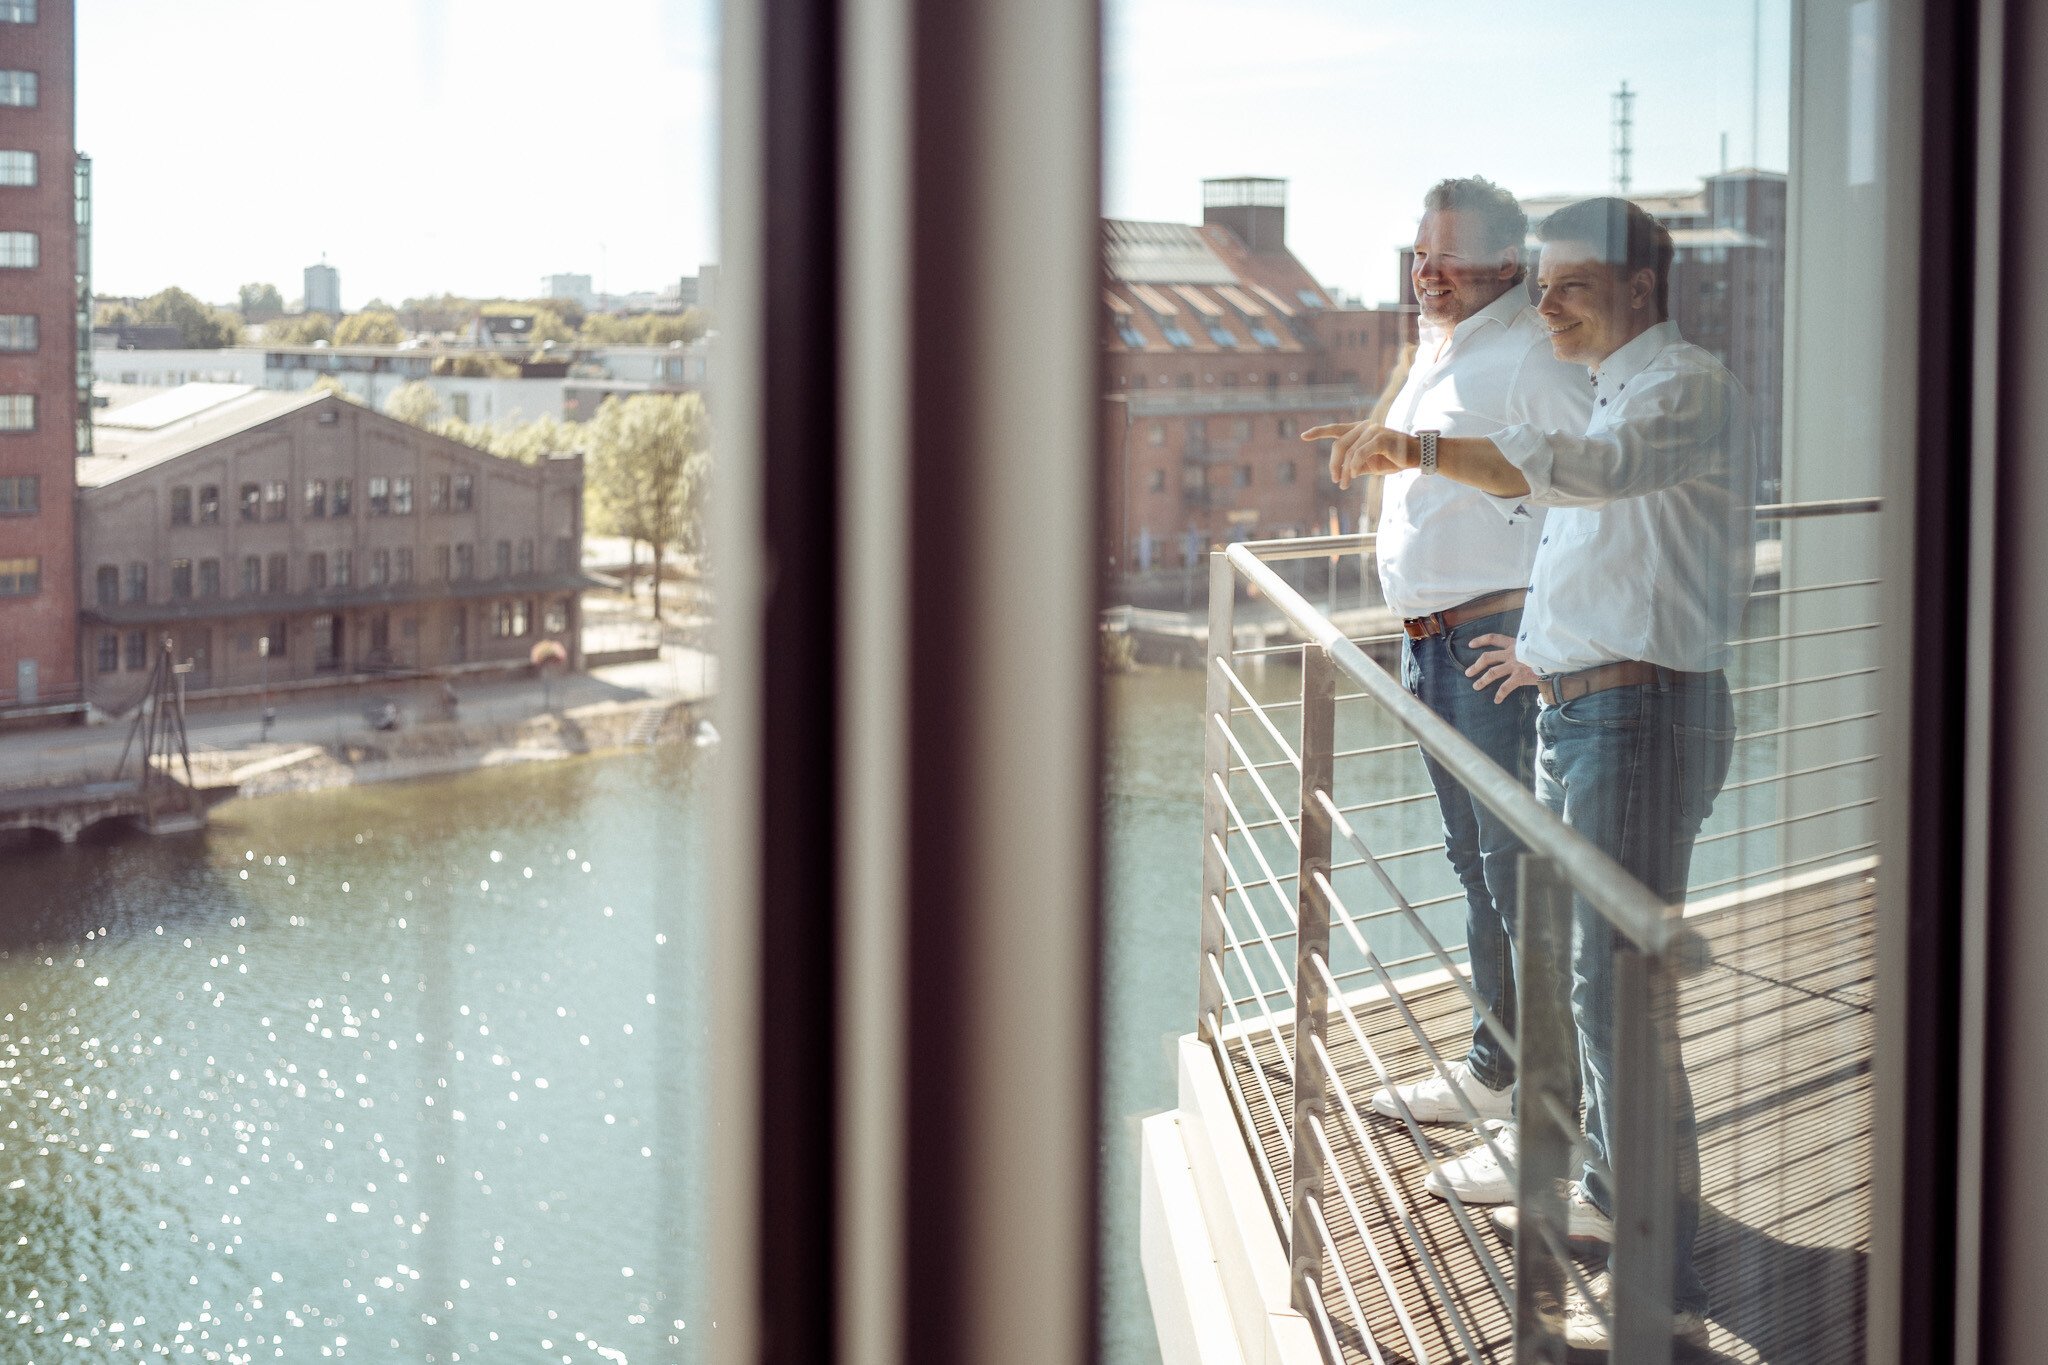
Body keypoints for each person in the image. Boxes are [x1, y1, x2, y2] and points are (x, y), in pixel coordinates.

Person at [1313, 196, 1754, 1350]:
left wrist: (1411, 447)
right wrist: (1541, 651)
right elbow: (1588, 531)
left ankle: (1655, 1250)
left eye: (1566, 284)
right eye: (1540, 283)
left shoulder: (1682, 387)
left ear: (1640, 289)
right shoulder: (1612, 381)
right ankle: (1614, 1196)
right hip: (1588, 708)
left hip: (1640, 717)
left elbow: (1588, 476)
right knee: (1582, 975)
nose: (1544, 303)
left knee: (1614, 989)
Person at [1303, 178, 1592, 1151]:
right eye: (1418, 253)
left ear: (1505, 265)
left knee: (1516, 880)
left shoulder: (1532, 359)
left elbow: (1590, 494)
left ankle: (1546, 1115)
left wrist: (1546, 640)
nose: (1424, 271)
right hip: (1430, 646)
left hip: (1490, 649)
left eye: (1447, 256)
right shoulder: (1441, 350)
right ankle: (1493, 1071)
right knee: (1475, 870)